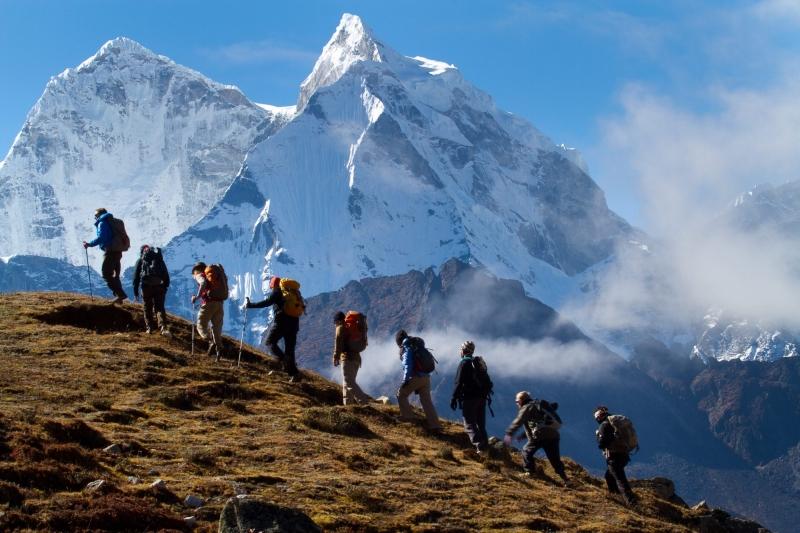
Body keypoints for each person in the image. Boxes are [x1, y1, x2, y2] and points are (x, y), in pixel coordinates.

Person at [503, 391, 568, 484]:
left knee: (526, 450)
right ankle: (565, 479)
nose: (517, 404)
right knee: (554, 459)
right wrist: (523, 436)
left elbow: (518, 421)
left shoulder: (527, 407)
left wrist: (509, 434)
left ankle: (529, 472)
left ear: (521, 400)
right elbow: (537, 424)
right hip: (554, 435)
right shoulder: (538, 405)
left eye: (517, 401)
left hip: (540, 434)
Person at [246, 275, 301, 382]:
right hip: (294, 323)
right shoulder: (293, 293)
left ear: (273, 285)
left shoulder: (277, 292)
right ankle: (294, 374)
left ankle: (284, 361)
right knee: (290, 349)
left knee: (270, 342)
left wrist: (251, 305)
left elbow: (267, 302)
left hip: (281, 322)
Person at [450, 340, 491, 455]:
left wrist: (454, 398)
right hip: (482, 397)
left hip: (470, 397)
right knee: (480, 424)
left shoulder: (464, 363)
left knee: (469, 423)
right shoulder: (477, 363)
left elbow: (458, 382)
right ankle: (486, 448)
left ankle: (480, 446)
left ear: (463, 350)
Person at [395, 330, 441, 431]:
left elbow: (408, 364)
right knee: (426, 401)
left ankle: (408, 418)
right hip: (426, 377)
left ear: (399, 341)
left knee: (401, 394)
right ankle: (435, 425)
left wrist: (405, 380)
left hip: (417, 377)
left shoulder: (406, 347)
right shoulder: (416, 344)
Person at [82, 208, 128, 304]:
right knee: (115, 275)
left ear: (99, 215)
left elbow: (102, 237)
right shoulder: (114, 222)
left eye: (95, 216)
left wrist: (89, 244)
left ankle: (120, 295)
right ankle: (119, 299)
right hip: (118, 251)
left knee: (106, 273)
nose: (95, 218)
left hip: (110, 251)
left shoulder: (102, 223)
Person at [594, 406, 637, 505]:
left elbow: (602, 444)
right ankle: (616, 497)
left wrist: (598, 436)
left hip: (614, 457)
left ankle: (632, 503)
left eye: (596, 417)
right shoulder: (614, 423)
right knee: (609, 476)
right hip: (624, 455)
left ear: (599, 417)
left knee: (621, 480)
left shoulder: (604, 425)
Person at [333, 311, 371, 405]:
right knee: (347, 383)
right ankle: (348, 406)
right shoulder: (350, 328)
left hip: (347, 358)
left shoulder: (340, 327)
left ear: (337, 321)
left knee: (349, 382)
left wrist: (335, 357)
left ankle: (364, 403)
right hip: (356, 359)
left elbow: (338, 343)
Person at [132, 244, 171, 336]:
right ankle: (163, 327)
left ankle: (149, 328)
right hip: (159, 286)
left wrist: (136, 292)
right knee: (159, 307)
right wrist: (165, 286)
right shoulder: (159, 259)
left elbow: (135, 278)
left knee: (147, 307)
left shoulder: (140, 260)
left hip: (146, 287)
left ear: (142, 252)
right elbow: (165, 275)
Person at [191, 262, 223, 357]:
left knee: (200, 325)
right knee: (216, 328)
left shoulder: (200, 275)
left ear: (196, 270)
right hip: (219, 304)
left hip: (208, 303)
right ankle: (218, 351)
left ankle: (210, 341)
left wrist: (197, 297)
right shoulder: (213, 277)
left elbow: (203, 283)